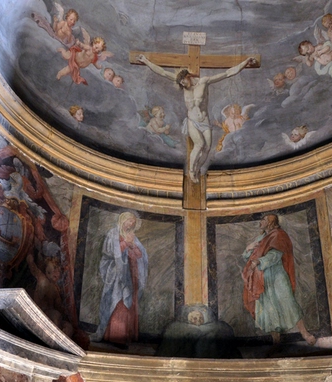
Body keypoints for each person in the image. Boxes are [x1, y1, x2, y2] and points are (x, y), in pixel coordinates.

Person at [136, 54, 257, 183]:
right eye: (180, 83)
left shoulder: (204, 81)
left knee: (207, 148)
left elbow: (227, 73)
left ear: (188, 76)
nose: (183, 84)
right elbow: (162, 72)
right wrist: (146, 61)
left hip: (204, 121)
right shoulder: (183, 85)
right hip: (192, 121)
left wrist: (245, 63)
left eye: (183, 81)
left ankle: (197, 168)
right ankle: (191, 171)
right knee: (199, 144)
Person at [242, 214, 316, 345]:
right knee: (268, 309)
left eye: (264, 220)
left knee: (288, 303)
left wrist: (259, 261)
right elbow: (247, 256)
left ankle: (305, 333)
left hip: (277, 275)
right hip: (262, 278)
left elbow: (275, 255)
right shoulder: (261, 238)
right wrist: (248, 248)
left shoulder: (279, 235)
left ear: (270, 222)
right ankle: (276, 340)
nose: (261, 222)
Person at [93, 211, 148, 346]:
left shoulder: (132, 236)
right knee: (118, 302)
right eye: (129, 221)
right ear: (123, 220)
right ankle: (115, 337)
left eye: (133, 223)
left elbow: (140, 255)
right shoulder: (113, 234)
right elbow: (109, 252)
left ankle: (124, 337)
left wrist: (132, 246)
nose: (131, 225)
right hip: (116, 275)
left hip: (130, 275)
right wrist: (125, 244)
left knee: (127, 303)